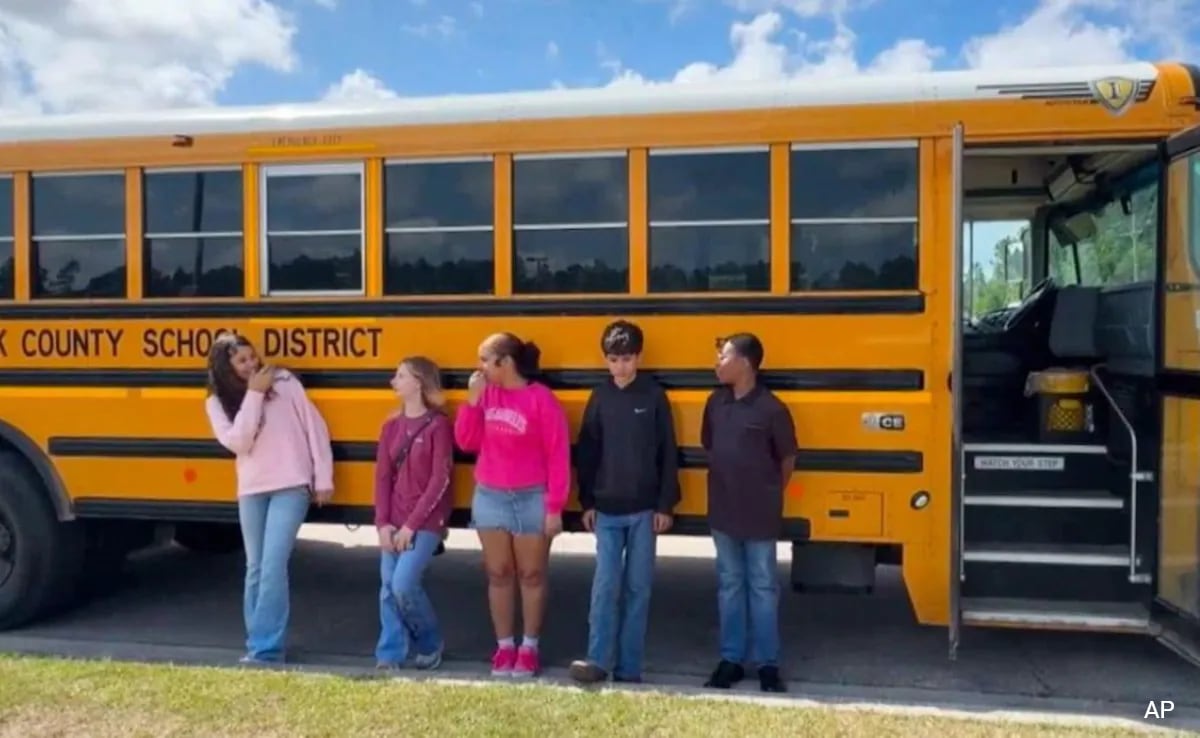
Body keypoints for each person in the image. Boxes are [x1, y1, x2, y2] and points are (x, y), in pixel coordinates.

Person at [204, 332, 334, 665]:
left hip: (291, 484)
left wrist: (323, 477)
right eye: (242, 361)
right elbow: (239, 442)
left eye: (252, 357)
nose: (252, 364)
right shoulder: (217, 401)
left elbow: (313, 427)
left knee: (274, 566)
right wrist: (254, 395)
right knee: (255, 568)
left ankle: (267, 649)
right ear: (226, 368)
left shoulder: (286, 382)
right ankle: (257, 642)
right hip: (252, 488)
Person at [568, 320, 679, 685]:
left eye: (627, 359)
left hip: (645, 511)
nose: (621, 367)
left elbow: (668, 453)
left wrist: (665, 505)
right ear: (605, 360)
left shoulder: (653, 397)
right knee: (605, 586)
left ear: (639, 357)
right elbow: (587, 453)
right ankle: (597, 659)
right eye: (614, 360)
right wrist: (587, 501)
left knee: (638, 588)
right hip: (607, 510)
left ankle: (629, 668)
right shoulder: (599, 398)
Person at [454, 332, 570, 678]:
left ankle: (529, 646)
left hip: (532, 495)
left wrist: (555, 507)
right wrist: (471, 403)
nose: (480, 368)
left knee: (532, 574)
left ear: (505, 363)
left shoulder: (540, 399)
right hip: (491, 495)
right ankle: (504, 646)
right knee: (498, 572)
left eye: (485, 361)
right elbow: (465, 441)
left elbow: (558, 455)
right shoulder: (485, 395)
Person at [700, 332, 797, 693]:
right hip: (724, 513)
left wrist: (767, 492)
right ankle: (731, 660)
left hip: (760, 516)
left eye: (723, 357)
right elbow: (710, 444)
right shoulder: (715, 404)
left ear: (745, 363)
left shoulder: (772, 409)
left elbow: (787, 460)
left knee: (762, 587)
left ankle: (768, 664)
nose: (717, 363)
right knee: (729, 586)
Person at [373, 356, 454, 671]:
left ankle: (430, 642)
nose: (394, 381)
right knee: (387, 588)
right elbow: (382, 477)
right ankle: (389, 654)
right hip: (394, 518)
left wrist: (410, 526)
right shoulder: (391, 427)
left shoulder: (438, 425)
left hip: (425, 521)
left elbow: (439, 479)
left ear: (418, 382)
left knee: (403, 584)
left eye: (400, 376)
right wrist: (382, 523)